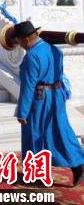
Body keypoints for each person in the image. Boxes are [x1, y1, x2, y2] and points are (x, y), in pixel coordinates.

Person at [13, 21, 84, 187]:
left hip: (40, 99)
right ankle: (78, 164)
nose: (20, 45)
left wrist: (22, 112)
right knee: (61, 132)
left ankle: (38, 175)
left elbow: (28, 86)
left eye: (19, 41)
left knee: (34, 135)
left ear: (26, 39)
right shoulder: (55, 50)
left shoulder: (31, 56)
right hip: (57, 95)